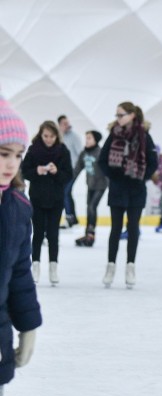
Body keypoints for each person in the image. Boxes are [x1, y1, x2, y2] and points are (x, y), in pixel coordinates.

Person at [0, 92, 45, 396]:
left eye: (16, 156)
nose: (10, 165)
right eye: (2, 154)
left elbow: (17, 275)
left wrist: (28, 326)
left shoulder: (16, 208)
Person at [97, 101, 157, 289]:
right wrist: (113, 175)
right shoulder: (113, 135)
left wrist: (141, 177)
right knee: (115, 229)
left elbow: (153, 162)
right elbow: (102, 160)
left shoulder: (145, 136)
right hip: (117, 188)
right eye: (116, 115)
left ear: (132, 115)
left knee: (132, 229)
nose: (118, 118)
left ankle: (130, 266)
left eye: (120, 115)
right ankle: (110, 266)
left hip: (136, 189)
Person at [21, 120, 72, 286]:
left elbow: (68, 175)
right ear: (41, 135)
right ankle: (35, 265)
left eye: (51, 136)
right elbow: (24, 171)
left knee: (53, 234)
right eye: (45, 136)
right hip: (37, 197)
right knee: (37, 233)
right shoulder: (33, 150)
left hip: (56, 199)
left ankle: (53, 266)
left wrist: (57, 172)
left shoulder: (63, 151)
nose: (48, 139)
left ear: (57, 136)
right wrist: (37, 171)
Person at [71, 130, 108, 247]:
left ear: (95, 140)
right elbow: (77, 169)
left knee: (92, 207)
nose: (86, 140)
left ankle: (91, 234)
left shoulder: (100, 153)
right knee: (89, 208)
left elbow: (107, 170)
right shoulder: (84, 153)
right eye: (86, 138)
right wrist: (68, 180)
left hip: (101, 185)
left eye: (89, 138)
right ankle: (87, 234)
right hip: (90, 185)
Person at [58, 114, 82, 227]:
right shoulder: (58, 137)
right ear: (60, 125)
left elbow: (81, 154)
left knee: (65, 192)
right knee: (65, 193)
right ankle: (72, 218)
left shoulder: (74, 137)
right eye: (64, 123)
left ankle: (70, 218)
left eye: (68, 123)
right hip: (61, 171)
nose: (68, 125)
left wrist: (77, 169)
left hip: (72, 170)